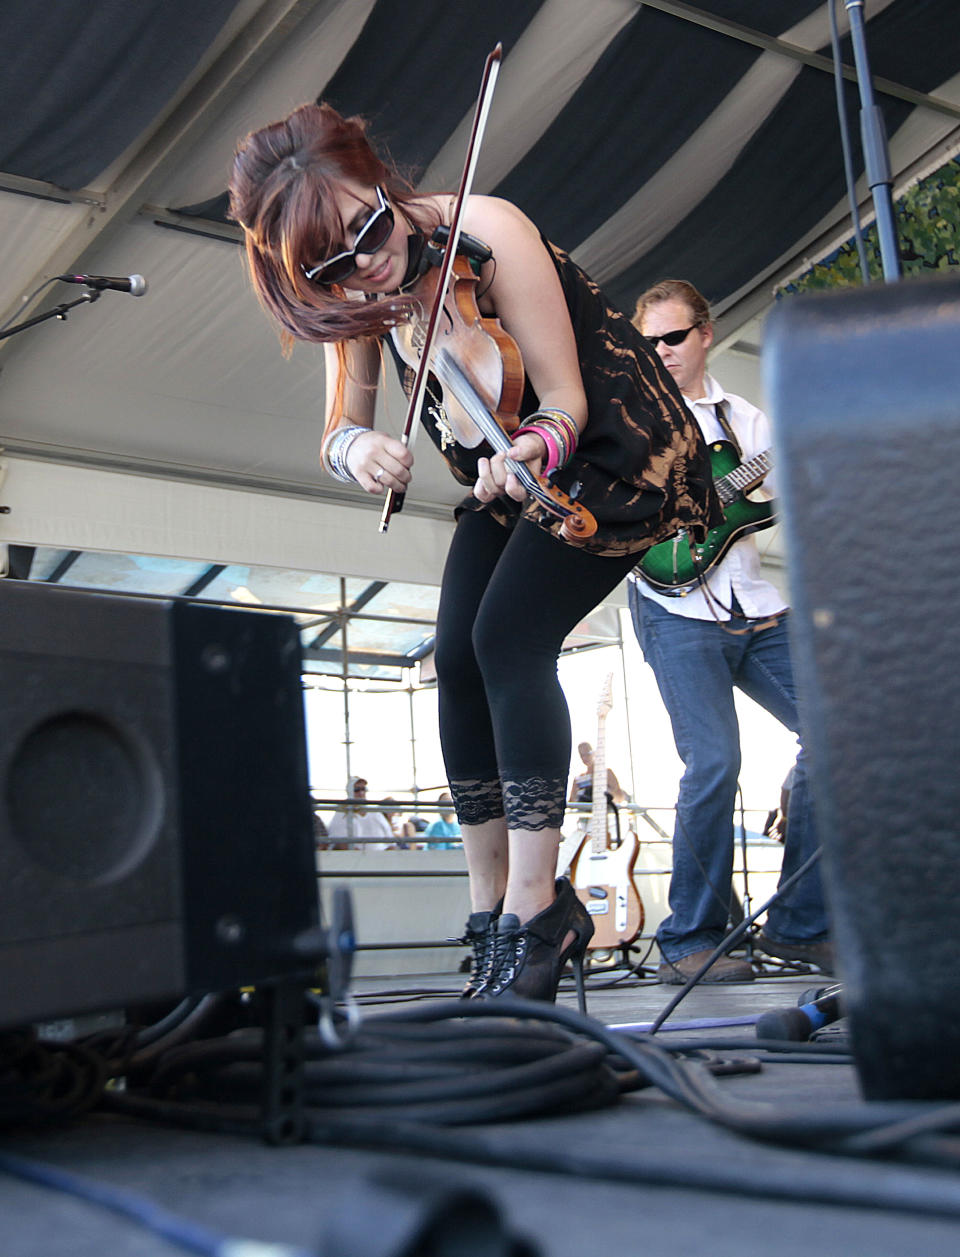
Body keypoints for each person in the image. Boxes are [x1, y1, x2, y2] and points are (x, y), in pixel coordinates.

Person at [228, 103, 721, 1003]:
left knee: (508, 641)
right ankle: (489, 902)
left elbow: (566, 400)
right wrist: (357, 451)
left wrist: (530, 448)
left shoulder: (488, 230)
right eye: (332, 262)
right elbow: (339, 428)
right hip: (508, 478)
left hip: (613, 451)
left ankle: (540, 912)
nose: (363, 262)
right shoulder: (363, 300)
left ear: (380, 175)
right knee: (451, 655)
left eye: (367, 228)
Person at [628, 278, 832, 985]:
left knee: (842, 734)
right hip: (673, 606)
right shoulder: (628, 418)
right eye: (648, 341)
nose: (660, 352)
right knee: (714, 762)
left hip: (755, 604)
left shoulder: (750, 420)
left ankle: (801, 924)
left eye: (673, 338)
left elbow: (787, 498)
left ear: (706, 334)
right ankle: (689, 936)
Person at [325, 775, 394, 849]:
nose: (361, 793)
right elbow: (338, 842)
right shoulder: (341, 813)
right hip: (354, 857)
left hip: (382, 857)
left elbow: (390, 841)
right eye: (356, 790)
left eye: (363, 789)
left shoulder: (375, 812)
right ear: (349, 791)